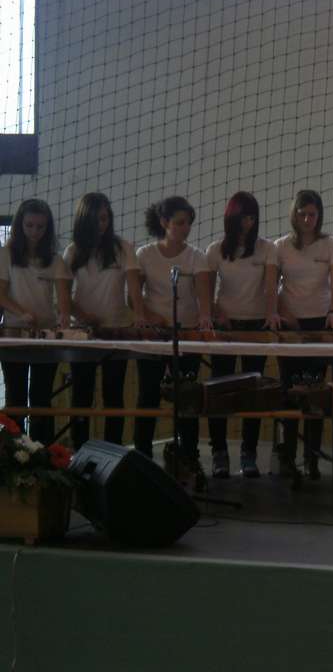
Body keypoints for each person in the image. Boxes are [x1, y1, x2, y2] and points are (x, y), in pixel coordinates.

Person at [131, 196, 212, 475]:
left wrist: (205, 318)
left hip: (186, 333)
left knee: (187, 395)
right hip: (154, 335)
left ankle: (189, 453)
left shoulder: (197, 257)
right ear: (164, 222)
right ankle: (141, 455)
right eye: (179, 223)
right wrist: (150, 318)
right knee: (148, 394)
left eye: (188, 223)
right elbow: (134, 298)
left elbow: (204, 298)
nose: (185, 228)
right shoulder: (144, 255)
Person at [203, 191, 281, 479]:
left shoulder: (267, 249)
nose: (248, 223)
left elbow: (271, 287)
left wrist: (272, 313)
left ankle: (249, 454)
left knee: (253, 392)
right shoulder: (215, 250)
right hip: (225, 329)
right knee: (219, 390)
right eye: (243, 218)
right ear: (231, 218)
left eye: (252, 218)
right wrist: (215, 313)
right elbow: (205, 291)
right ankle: (219, 452)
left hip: (256, 327)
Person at [275, 189, 333, 483]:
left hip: (320, 324)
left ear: (319, 215)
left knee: (315, 394)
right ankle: (288, 457)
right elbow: (270, 287)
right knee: (290, 391)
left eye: (312, 214)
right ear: (295, 214)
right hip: (291, 326)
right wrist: (283, 313)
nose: (307, 219)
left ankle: (312, 457)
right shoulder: (280, 247)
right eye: (302, 214)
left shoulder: (331, 245)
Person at [62, 192, 138, 448]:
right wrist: (84, 316)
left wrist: (140, 318)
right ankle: (79, 450)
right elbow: (63, 297)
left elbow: (134, 292)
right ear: (84, 221)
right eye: (95, 219)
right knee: (81, 396)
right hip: (84, 334)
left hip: (117, 331)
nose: (101, 225)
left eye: (105, 218)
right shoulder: (72, 251)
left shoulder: (123, 248)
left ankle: (113, 451)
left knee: (114, 396)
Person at [0, 199, 72, 442]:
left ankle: (45, 452)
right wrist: (21, 313)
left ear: (48, 228)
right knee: (16, 397)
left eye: (40, 227)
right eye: (29, 225)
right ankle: (15, 452)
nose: (34, 232)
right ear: (19, 225)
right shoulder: (6, 254)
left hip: (45, 336)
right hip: (13, 334)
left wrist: (64, 316)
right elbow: (1, 294)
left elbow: (63, 299)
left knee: (41, 398)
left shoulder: (55, 259)